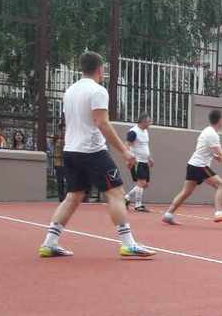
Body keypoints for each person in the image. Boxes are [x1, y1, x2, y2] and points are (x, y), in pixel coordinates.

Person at [37, 51, 154, 258]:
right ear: (100, 69)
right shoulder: (98, 91)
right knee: (116, 193)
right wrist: (125, 151)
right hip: (92, 151)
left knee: (73, 196)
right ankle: (128, 244)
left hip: (71, 151)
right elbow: (102, 123)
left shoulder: (70, 91)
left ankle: (49, 242)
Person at [162, 109, 222, 225]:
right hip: (200, 166)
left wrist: (213, 156)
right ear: (220, 120)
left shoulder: (206, 131)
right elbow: (221, 153)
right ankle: (218, 213)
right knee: (221, 185)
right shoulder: (212, 134)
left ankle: (168, 215)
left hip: (192, 165)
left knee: (186, 192)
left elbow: (203, 148)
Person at [124, 114, 153, 212]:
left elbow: (145, 146)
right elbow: (127, 145)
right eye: (149, 121)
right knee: (141, 183)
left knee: (145, 184)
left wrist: (149, 158)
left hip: (144, 161)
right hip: (137, 161)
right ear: (143, 122)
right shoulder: (133, 132)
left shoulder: (145, 131)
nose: (150, 123)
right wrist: (128, 159)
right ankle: (138, 205)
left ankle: (126, 198)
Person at [52, 115, 67, 202]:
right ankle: (61, 198)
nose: (63, 130)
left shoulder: (69, 138)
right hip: (58, 162)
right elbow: (55, 149)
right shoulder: (56, 138)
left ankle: (67, 197)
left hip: (67, 162)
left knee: (69, 181)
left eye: (65, 128)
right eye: (62, 128)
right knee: (60, 181)